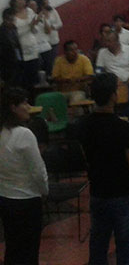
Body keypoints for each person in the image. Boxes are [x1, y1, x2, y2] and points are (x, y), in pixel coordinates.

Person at [77, 73, 129, 265]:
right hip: (123, 193)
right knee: (126, 249)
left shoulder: (83, 125)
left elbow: (84, 158)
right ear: (113, 96)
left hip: (98, 192)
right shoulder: (123, 128)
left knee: (98, 246)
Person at [0, 87, 48, 265]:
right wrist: (44, 190)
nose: (28, 107)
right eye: (25, 103)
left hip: (5, 198)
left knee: (13, 248)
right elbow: (38, 170)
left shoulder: (2, 132)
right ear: (13, 107)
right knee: (29, 250)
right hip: (27, 200)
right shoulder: (24, 134)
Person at [9, 0, 40, 91]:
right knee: (24, 79)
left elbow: (35, 30)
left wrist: (34, 25)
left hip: (33, 46)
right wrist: (29, 26)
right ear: (13, 1)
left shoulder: (29, 11)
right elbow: (15, 34)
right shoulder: (11, 15)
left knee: (35, 77)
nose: (21, 1)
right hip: (21, 50)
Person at [34, 0, 63, 78]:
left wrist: (52, 27)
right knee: (46, 64)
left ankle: (53, 78)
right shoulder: (38, 14)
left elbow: (60, 23)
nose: (48, 1)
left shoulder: (53, 10)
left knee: (53, 62)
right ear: (42, 1)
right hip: (44, 42)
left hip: (54, 40)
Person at [0, 8, 23, 87]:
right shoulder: (1, 32)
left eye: (14, 19)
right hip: (6, 65)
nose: (13, 22)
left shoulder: (14, 28)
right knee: (9, 86)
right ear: (5, 19)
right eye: (10, 20)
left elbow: (17, 45)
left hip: (18, 61)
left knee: (19, 83)